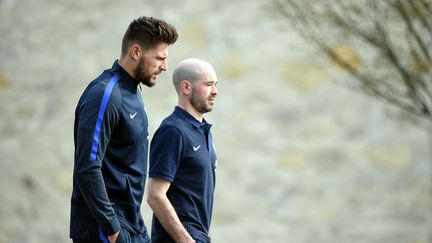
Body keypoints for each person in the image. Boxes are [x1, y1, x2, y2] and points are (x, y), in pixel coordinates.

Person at [70, 16, 177, 243]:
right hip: (105, 229)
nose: (165, 67)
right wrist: (113, 231)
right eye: (160, 58)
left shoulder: (133, 92)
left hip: (132, 222)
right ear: (136, 52)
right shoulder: (105, 94)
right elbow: (87, 167)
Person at [147, 58, 219, 243]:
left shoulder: (202, 131)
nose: (215, 91)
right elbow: (155, 195)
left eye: (216, 85)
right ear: (186, 87)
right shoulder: (173, 131)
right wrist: (185, 240)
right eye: (209, 84)